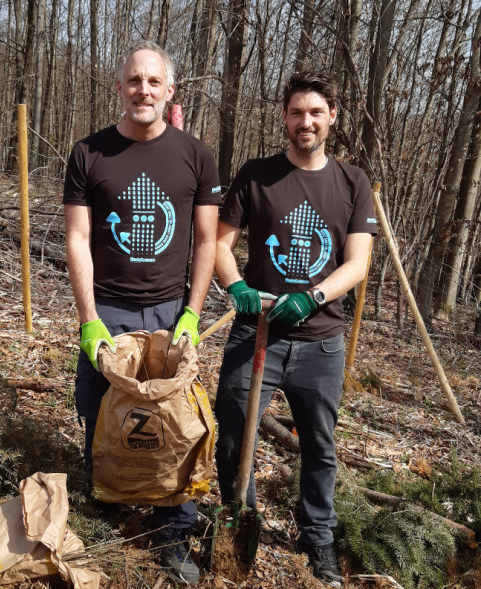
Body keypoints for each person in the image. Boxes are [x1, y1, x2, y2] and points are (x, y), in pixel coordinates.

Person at [63, 40, 221, 585]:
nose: (143, 90)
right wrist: (89, 320)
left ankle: (173, 531)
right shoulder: (89, 153)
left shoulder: (196, 155)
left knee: (174, 420)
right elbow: (77, 238)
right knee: (98, 408)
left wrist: (192, 314)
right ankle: (107, 506)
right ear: (120, 88)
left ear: (170, 90)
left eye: (154, 82)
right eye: (134, 81)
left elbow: (206, 242)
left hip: (168, 309)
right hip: (108, 306)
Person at [214, 71, 377, 586]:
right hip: (254, 332)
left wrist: (313, 296)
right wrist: (236, 284)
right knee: (234, 436)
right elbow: (220, 244)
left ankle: (317, 537)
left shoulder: (352, 183)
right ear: (284, 117)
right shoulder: (256, 175)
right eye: (295, 112)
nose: (304, 122)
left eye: (315, 112)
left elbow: (357, 263)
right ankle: (243, 520)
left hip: (322, 343)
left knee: (320, 446)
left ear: (332, 116)